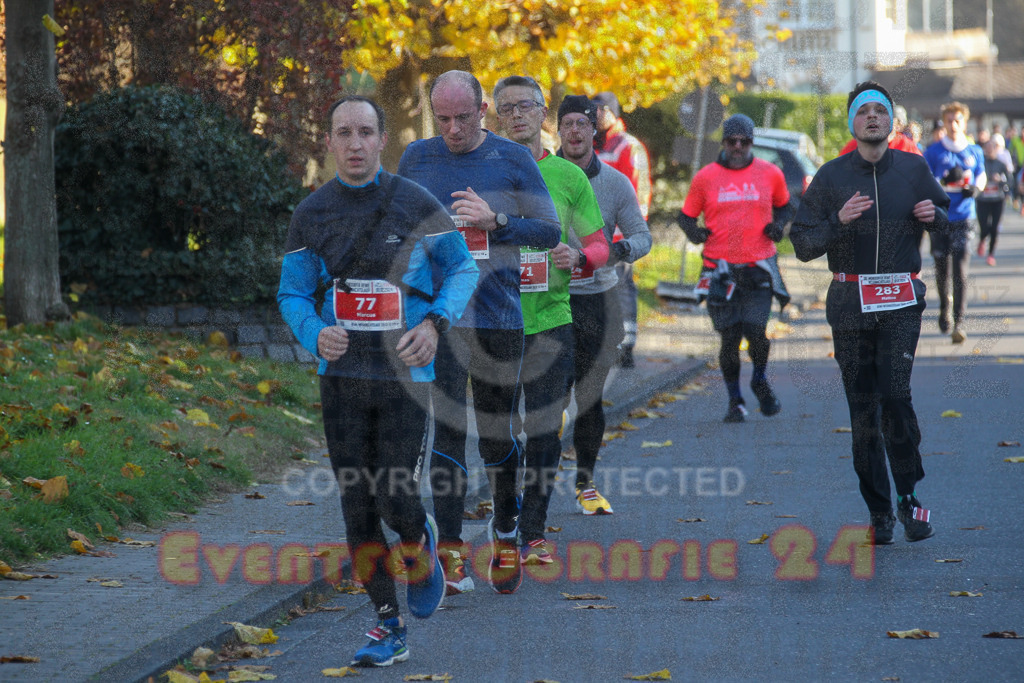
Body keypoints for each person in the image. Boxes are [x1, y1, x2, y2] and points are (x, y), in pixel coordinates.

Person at [277, 96, 479, 666]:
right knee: (356, 506)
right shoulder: (311, 214)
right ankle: (386, 624)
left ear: (382, 139)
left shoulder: (417, 203)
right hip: (340, 378)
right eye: (344, 132)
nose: (355, 143)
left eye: (366, 131)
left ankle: (420, 544)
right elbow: (293, 291)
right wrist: (315, 331)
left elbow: (462, 268)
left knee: (393, 493)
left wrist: (436, 324)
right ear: (330, 142)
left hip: (402, 379)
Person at [397, 70, 561, 595]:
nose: (452, 129)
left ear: (483, 109)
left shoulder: (512, 159)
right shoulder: (416, 159)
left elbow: (549, 230)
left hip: (497, 316)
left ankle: (508, 531)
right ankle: (450, 551)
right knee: (445, 432)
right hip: (440, 319)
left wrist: (497, 222)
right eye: (442, 119)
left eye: (463, 118)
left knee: (496, 434)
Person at [790, 81, 949, 545]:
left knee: (895, 396)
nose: (873, 117)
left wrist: (933, 218)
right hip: (851, 304)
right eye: (864, 112)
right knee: (863, 413)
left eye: (882, 110)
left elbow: (949, 227)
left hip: (900, 302)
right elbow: (801, 244)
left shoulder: (915, 170)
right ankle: (879, 510)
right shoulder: (832, 177)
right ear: (853, 124)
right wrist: (837, 223)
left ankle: (909, 496)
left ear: (892, 121)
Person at [492, 77, 608, 564]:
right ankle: (505, 512)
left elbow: (600, 245)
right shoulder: (483, 169)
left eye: (526, 106)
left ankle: (533, 531)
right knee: (499, 432)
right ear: (496, 116)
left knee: (543, 429)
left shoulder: (568, 176)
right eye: (506, 108)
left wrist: (576, 258)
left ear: (544, 114)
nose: (517, 115)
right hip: (494, 322)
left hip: (552, 319)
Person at [558, 95, 651, 513]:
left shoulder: (615, 183)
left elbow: (642, 235)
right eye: (568, 124)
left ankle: (586, 482)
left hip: (597, 299)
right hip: (549, 300)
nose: (575, 131)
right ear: (557, 131)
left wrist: (619, 250)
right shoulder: (541, 177)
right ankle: (534, 481)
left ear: (594, 130)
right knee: (547, 394)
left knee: (589, 397)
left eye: (582, 124)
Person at [676, 113, 793, 423]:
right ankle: (735, 401)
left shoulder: (770, 173)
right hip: (720, 269)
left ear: (752, 142)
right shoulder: (706, 177)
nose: (738, 146)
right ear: (724, 142)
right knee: (728, 339)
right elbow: (685, 216)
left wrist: (778, 227)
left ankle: (759, 379)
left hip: (758, 267)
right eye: (732, 141)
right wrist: (695, 234)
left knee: (756, 331)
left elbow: (785, 206)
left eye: (744, 141)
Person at [592, 91, 652, 368]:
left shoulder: (629, 147)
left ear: (612, 112)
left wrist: (632, 234)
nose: (594, 114)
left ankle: (626, 346)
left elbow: (638, 191)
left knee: (621, 288)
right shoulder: (589, 145)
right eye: (592, 110)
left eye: (600, 109)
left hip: (619, 235)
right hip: (590, 234)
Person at [923, 101, 985, 344]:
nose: (953, 125)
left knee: (960, 269)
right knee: (942, 269)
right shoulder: (934, 152)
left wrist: (975, 189)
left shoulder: (973, 151)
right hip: (941, 218)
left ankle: (959, 321)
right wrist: (942, 181)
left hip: (964, 217)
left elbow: (981, 174)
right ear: (944, 122)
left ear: (964, 122)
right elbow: (926, 180)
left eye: (958, 120)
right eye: (949, 120)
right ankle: (944, 307)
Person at [976, 137, 1013, 266]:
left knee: (995, 228)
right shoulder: (981, 163)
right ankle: (982, 239)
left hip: (997, 200)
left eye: (992, 147)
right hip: (983, 200)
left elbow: (1009, 181)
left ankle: (991, 254)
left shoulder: (1001, 164)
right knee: (984, 226)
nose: (990, 150)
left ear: (996, 149)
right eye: (987, 148)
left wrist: (1000, 181)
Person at [838, 105, 922, 156]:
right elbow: (839, 170)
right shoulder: (856, 144)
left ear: (897, 125)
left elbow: (921, 172)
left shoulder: (906, 145)